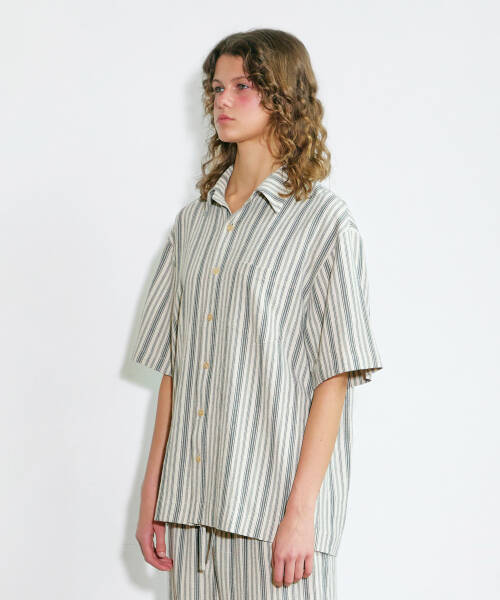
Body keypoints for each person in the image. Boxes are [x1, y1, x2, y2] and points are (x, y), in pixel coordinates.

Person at [131, 28, 383, 599]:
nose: (222, 99)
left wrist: (301, 514)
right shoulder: (192, 224)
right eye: (216, 87)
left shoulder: (325, 223)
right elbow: (173, 367)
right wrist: (152, 496)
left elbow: (335, 377)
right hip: (192, 509)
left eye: (242, 86)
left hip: (271, 517)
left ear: (283, 96)